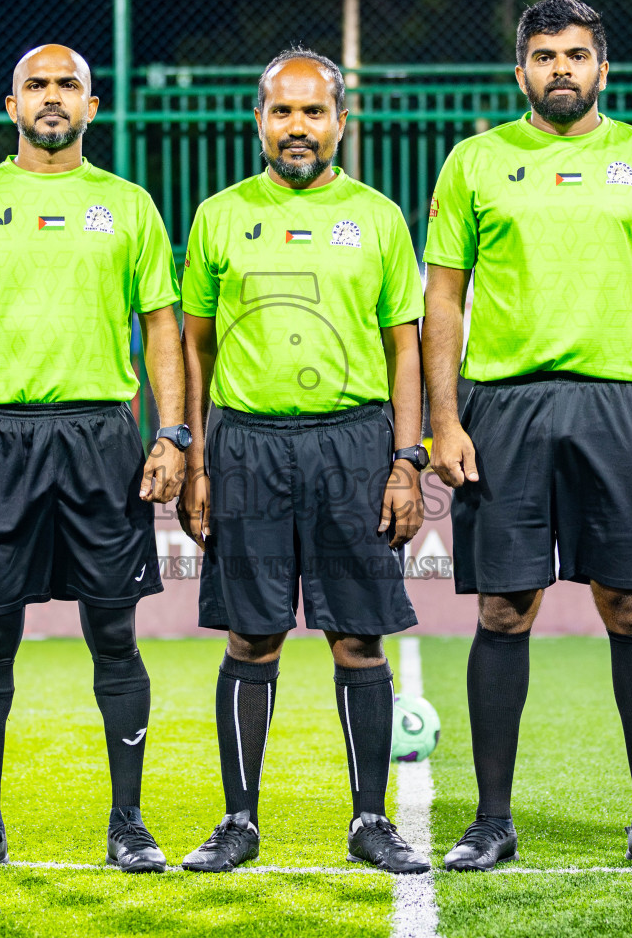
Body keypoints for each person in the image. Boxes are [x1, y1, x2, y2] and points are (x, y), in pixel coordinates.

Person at [422, 0, 632, 872]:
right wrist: (443, 419)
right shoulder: (475, 161)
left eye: (576, 55)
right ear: (521, 73)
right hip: (503, 409)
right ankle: (491, 821)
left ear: (602, 67)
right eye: (544, 57)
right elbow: (442, 298)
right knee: (504, 609)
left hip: (623, 406)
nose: (561, 70)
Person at [0, 44, 186, 875]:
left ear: (93, 108)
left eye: (69, 86)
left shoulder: (128, 206)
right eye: (38, 85)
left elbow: (163, 326)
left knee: (114, 634)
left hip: (103, 436)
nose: (53, 97)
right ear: (12, 104)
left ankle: (128, 825)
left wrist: (171, 432)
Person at [175, 48, 429, 874]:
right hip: (246, 445)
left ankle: (369, 821)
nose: (296, 127)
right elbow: (196, 350)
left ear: (340, 122)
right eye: (282, 111)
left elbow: (406, 349)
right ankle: (239, 821)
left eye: (312, 112)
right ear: (259, 120)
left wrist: (405, 461)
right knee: (252, 638)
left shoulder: (380, 218)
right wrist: (199, 461)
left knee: (359, 638)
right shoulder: (217, 216)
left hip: (353, 444)